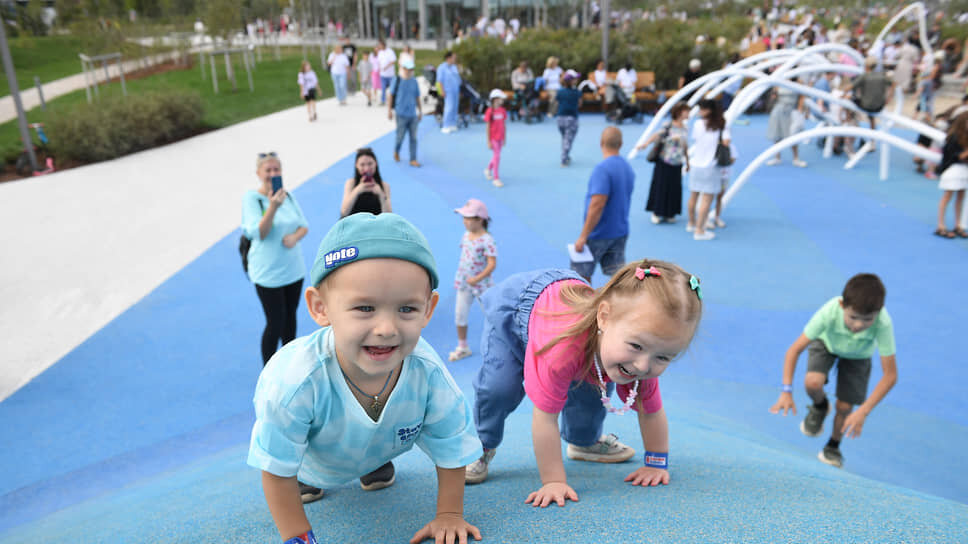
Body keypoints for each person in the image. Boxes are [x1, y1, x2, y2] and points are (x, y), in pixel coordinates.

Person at [248, 212, 484, 544]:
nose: (386, 329)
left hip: (376, 446)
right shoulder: (295, 381)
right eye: (364, 308)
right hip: (313, 461)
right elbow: (275, 465)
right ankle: (307, 476)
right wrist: (298, 538)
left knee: (374, 429)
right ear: (320, 307)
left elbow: (451, 442)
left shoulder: (427, 372)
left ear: (428, 309)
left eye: (406, 309)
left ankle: (372, 463)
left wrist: (449, 513)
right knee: (292, 471)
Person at [464, 259, 705, 506]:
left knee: (594, 388)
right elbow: (545, 417)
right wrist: (553, 481)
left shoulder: (641, 353)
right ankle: (482, 446)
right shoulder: (562, 350)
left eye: (663, 357)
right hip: (516, 313)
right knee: (499, 388)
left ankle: (584, 441)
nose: (644, 366)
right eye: (635, 346)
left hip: (580, 330)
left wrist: (656, 463)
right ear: (604, 318)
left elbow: (650, 411)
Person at [769, 273, 898, 469]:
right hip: (827, 344)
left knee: (845, 407)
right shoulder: (829, 311)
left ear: (878, 313)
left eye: (867, 319)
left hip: (858, 356)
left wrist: (863, 411)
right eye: (853, 317)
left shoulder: (883, 322)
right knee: (813, 383)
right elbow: (794, 350)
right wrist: (786, 391)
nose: (858, 325)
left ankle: (833, 446)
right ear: (842, 305)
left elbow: (890, 375)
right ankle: (820, 406)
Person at [241, 152, 309, 365]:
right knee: (275, 322)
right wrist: (273, 207)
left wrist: (294, 237)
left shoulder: (288, 196)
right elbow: (259, 233)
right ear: (258, 173)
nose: (272, 174)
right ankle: (269, 371)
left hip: (293, 270)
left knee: (290, 319)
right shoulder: (253, 199)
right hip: (268, 273)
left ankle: (290, 366)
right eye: (268, 170)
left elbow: (303, 226)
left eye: (276, 169)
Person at [572, 127, 635, 282]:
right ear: (621, 144)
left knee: (581, 274)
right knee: (618, 278)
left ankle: (588, 298)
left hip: (599, 233)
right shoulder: (628, 168)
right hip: (620, 231)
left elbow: (597, 204)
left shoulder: (602, 169)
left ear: (601, 143)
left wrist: (583, 236)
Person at [448, 199, 497, 362]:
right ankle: (463, 347)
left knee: (492, 315)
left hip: (483, 285)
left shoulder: (487, 240)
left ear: (480, 220)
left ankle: (499, 346)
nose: (465, 221)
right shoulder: (466, 236)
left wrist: (477, 278)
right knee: (459, 315)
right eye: (464, 218)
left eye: (468, 218)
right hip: (464, 283)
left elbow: (492, 264)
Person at [636, 102, 690, 224]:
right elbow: (657, 135)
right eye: (686, 111)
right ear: (680, 112)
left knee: (674, 188)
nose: (688, 113)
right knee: (661, 186)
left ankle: (670, 213)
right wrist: (645, 144)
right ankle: (656, 212)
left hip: (677, 161)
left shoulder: (685, 128)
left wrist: (687, 162)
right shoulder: (668, 125)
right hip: (664, 159)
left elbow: (685, 146)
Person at [934, 112, 968, 238]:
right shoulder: (954, 138)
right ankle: (941, 225)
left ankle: (958, 224)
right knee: (947, 197)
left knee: (960, 197)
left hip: (964, 171)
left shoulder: (965, 137)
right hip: (952, 170)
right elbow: (954, 156)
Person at [388, 58, 422, 168]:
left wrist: (420, 111)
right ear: (403, 68)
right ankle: (396, 150)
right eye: (407, 68)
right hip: (401, 114)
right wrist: (389, 111)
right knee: (400, 136)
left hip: (412, 114)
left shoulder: (414, 81)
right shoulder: (397, 80)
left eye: (411, 69)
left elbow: (417, 96)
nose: (409, 71)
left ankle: (413, 159)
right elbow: (391, 95)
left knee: (414, 138)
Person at [341, 148, 392, 217]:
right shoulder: (351, 183)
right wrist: (358, 190)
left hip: (375, 223)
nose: (366, 168)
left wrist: (380, 194)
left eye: (370, 164)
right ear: (356, 165)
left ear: (376, 163)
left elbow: (388, 217)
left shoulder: (384, 186)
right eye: (362, 164)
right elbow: (344, 212)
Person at [765, 84, 808, 167]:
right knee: (776, 134)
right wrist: (773, 95)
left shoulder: (797, 82)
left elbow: (802, 97)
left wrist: (800, 109)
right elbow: (774, 96)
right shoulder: (778, 82)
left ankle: (796, 158)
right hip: (778, 110)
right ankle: (777, 157)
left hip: (791, 111)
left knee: (792, 135)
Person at [556, 70, 582, 167]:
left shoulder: (560, 92)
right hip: (572, 119)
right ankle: (564, 159)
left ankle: (566, 156)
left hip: (560, 118)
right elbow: (580, 104)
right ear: (572, 81)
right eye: (575, 79)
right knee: (568, 140)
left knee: (565, 138)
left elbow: (558, 102)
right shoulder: (577, 92)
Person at [483, 89, 508, 187]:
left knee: (496, 156)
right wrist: (488, 141)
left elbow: (504, 125)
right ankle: (496, 178)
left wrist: (505, 138)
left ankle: (488, 169)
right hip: (493, 138)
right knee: (497, 157)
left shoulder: (503, 111)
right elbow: (488, 127)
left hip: (500, 138)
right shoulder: (490, 111)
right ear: (495, 99)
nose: (503, 100)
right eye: (501, 98)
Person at [437, 51, 462, 133]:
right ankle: (446, 125)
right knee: (449, 107)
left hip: (456, 90)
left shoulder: (454, 67)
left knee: (455, 107)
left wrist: (459, 90)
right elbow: (439, 81)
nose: (455, 59)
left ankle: (452, 124)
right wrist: (441, 91)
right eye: (454, 58)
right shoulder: (442, 67)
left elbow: (458, 79)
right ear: (448, 58)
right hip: (448, 91)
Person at [376, 41, 397, 105]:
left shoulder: (390, 52)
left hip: (390, 74)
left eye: (380, 45)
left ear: (383, 45)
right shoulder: (380, 52)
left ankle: (393, 100)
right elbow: (379, 62)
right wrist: (380, 69)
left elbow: (393, 61)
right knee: (383, 88)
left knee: (392, 88)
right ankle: (383, 100)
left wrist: (386, 67)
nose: (379, 47)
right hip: (383, 74)